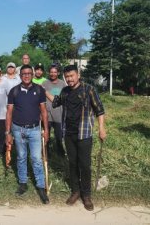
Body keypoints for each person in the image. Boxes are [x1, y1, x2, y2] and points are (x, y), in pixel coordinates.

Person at [45, 65, 106, 211]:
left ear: (78, 75)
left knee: (84, 165)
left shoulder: (89, 89)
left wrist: (102, 128)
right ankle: (75, 191)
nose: (69, 79)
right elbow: (56, 102)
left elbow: (100, 110)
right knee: (72, 163)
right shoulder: (65, 91)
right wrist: (44, 92)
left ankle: (86, 195)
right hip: (69, 133)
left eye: (71, 76)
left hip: (84, 134)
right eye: (67, 77)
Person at [5, 64, 50, 204]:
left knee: (36, 159)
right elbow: (9, 113)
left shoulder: (39, 89)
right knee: (21, 157)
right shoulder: (14, 91)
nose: (26, 75)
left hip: (35, 130)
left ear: (32, 74)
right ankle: (23, 183)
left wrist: (46, 130)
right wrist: (8, 132)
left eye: (29, 73)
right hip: (18, 130)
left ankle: (41, 187)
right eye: (24, 73)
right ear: (20, 75)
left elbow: (43, 112)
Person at [42, 65, 66, 157]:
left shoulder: (62, 84)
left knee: (59, 137)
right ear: (49, 73)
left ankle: (61, 153)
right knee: (46, 136)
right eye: (51, 72)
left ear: (58, 73)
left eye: (55, 72)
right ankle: (46, 154)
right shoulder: (45, 83)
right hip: (47, 114)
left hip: (59, 115)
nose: (53, 74)